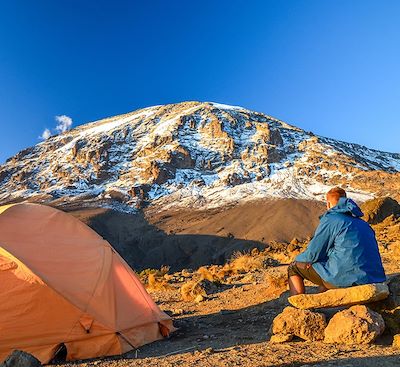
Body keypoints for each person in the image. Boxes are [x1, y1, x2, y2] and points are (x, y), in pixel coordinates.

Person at [288, 187, 386, 295]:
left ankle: (298, 305)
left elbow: (313, 253)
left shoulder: (331, 219)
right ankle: (323, 297)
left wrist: (299, 260)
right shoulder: (363, 223)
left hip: (346, 278)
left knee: (294, 268)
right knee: (327, 263)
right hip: (374, 278)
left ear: (328, 204)